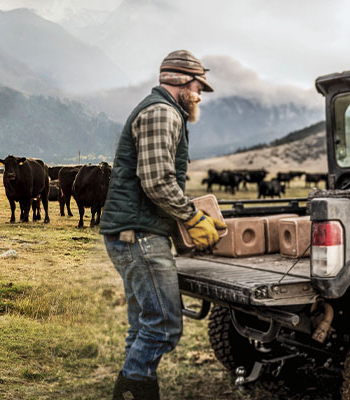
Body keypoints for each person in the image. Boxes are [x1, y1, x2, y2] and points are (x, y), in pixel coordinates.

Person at [99, 50, 224, 400]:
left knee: (142, 324)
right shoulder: (162, 113)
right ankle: (135, 388)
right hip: (139, 235)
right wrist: (192, 216)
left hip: (132, 232)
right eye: (199, 85)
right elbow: (156, 182)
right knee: (164, 324)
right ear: (182, 81)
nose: (200, 94)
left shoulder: (162, 112)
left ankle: (130, 390)